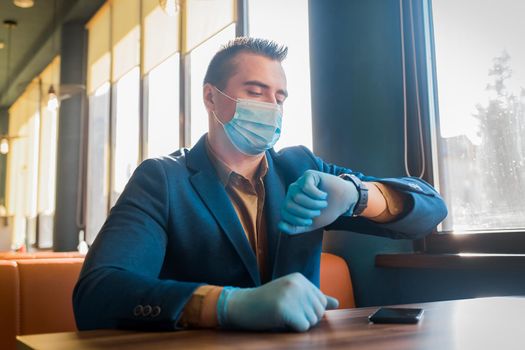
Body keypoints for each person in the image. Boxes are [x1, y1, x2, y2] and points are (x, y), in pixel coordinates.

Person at [73, 37, 447, 332]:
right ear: (211, 98)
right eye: (255, 91)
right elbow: (98, 293)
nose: (272, 106)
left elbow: (430, 209)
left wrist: (358, 195)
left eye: (279, 96)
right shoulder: (163, 179)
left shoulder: (300, 168)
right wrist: (226, 305)